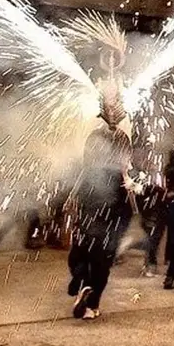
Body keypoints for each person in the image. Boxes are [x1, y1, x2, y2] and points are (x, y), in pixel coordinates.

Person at [66, 127, 133, 320]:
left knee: (78, 259)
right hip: (107, 233)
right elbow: (126, 209)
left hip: (86, 228)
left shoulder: (86, 174)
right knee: (101, 269)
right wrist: (120, 233)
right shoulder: (118, 176)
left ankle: (79, 280)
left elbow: (76, 200)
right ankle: (91, 305)